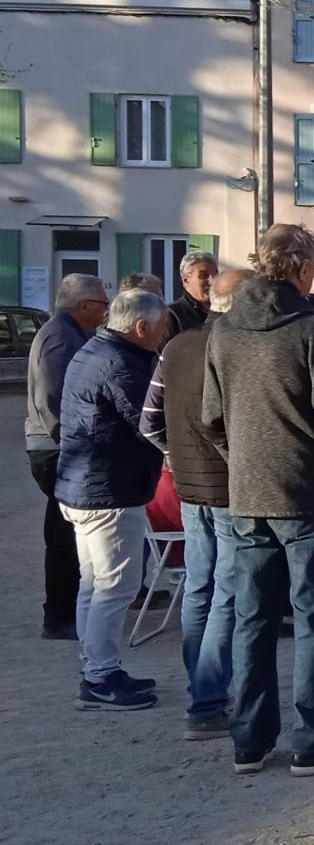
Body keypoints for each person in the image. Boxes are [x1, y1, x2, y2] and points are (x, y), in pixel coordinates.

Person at [202, 223, 314, 776]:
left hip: (248, 495)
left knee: (252, 619)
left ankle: (249, 742)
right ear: (303, 268)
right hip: (307, 492)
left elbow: (211, 418)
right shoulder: (309, 327)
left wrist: (245, 465)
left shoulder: (224, 329)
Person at [139, 269, 245, 735]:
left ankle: (201, 694)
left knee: (199, 588)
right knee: (226, 590)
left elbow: (149, 424)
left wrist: (175, 459)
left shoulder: (174, 347)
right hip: (227, 486)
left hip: (187, 485)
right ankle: (207, 700)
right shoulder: (235, 350)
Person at [56, 288, 169, 709]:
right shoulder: (121, 362)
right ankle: (100, 676)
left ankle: (97, 667)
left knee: (94, 585)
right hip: (109, 490)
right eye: (159, 329)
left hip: (85, 485)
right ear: (140, 327)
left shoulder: (94, 350)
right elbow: (149, 423)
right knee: (115, 588)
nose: (162, 337)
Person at [24, 273, 109, 641]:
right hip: (58, 450)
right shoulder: (60, 337)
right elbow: (53, 400)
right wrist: (77, 445)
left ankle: (66, 611)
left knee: (67, 533)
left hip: (64, 448)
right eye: (103, 303)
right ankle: (58, 616)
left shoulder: (73, 332)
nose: (107, 310)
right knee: (62, 535)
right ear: (84, 305)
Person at [167, 250, 218, 339]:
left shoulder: (225, 309)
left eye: (215, 274)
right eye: (203, 276)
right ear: (186, 280)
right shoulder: (173, 314)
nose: (212, 281)